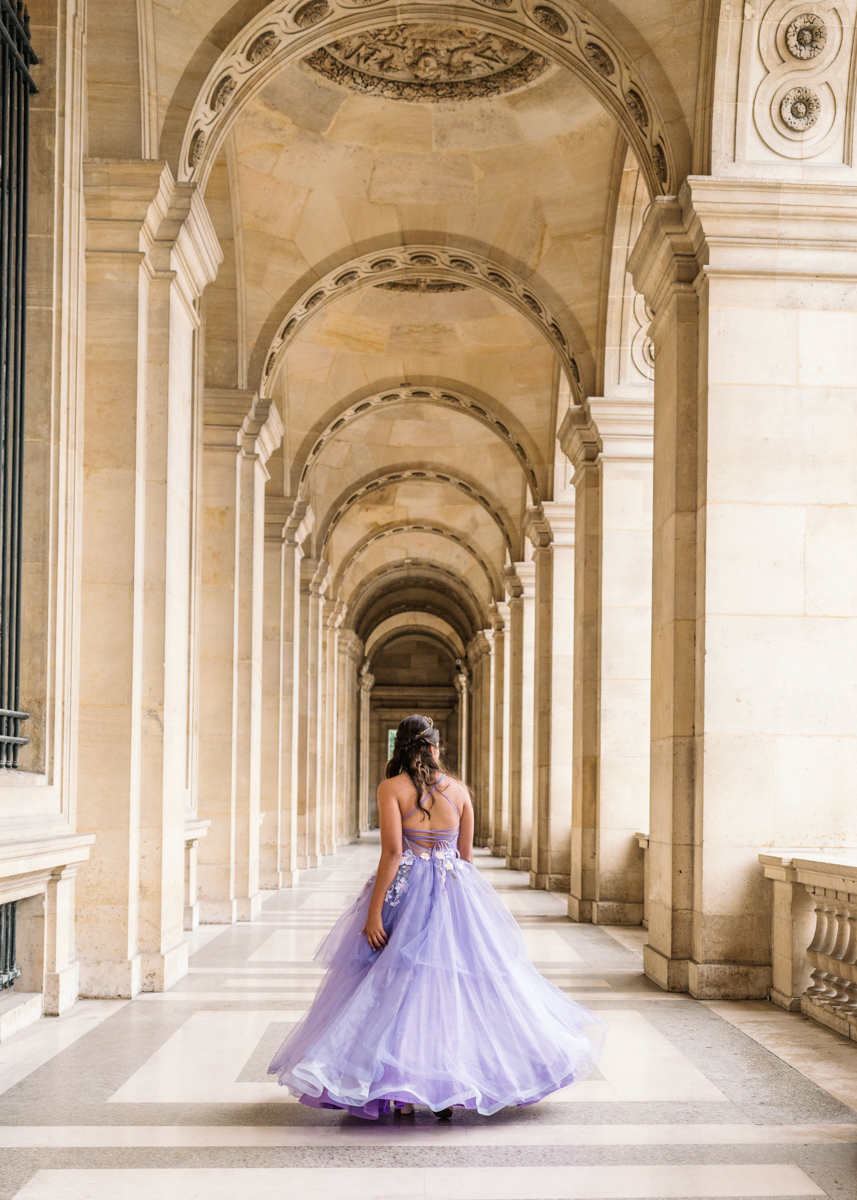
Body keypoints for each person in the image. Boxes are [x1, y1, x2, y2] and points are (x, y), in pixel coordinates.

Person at [268, 713, 605, 1119]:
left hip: (405, 893)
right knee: (452, 988)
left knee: (397, 985)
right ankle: (445, 1086)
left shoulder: (391, 788)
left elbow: (393, 853)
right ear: (432, 748)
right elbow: (465, 858)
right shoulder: (460, 791)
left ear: (401, 748)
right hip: (454, 891)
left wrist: (374, 914)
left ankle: (405, 1093)